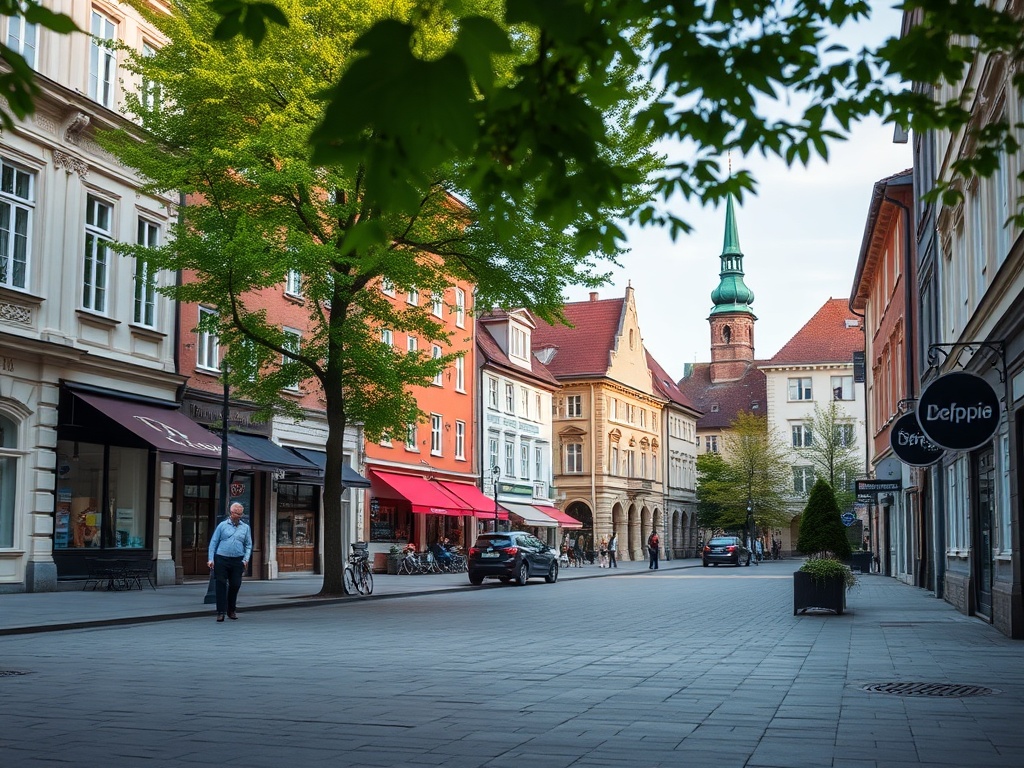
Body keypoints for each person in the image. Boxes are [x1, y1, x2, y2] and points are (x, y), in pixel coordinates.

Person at [207, 502, 252, 622]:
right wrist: (211, 559)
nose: (240, 516)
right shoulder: (222, 526)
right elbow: (213, 542)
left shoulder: (245, 527)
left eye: (241, 513)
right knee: (220, 585)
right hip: (221, 558)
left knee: (235, 584)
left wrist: (246, 559)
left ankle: (231, 609)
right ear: (231, 513)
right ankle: (220, 612)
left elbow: (248, 545)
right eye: (237, 513)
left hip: (238, 560)